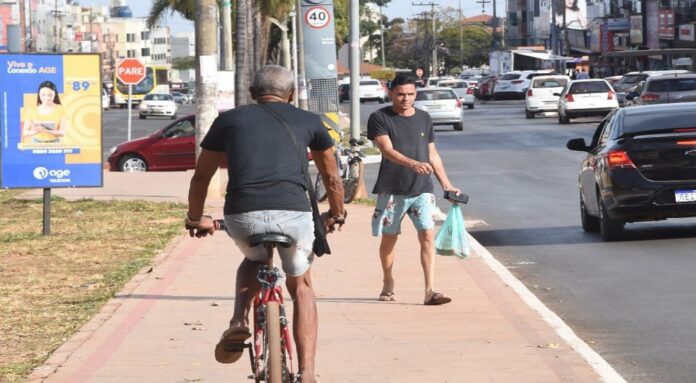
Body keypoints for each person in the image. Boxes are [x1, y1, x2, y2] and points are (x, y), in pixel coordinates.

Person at [185, 65, 345, 383]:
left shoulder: (228, 120)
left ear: (252, 94)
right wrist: (336, 213)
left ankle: (238, 320)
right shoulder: (310, 121)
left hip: (243, 214)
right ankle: (309, 372)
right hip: (295, 215)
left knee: (254, 258)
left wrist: (195, 217)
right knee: (301, 285)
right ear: (291, 95)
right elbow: (332, 176)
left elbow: (202, 176)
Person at [367, 74, 461, 306]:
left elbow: (432, 154)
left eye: (410, 94)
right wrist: (412, 164)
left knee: (427, 235)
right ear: (391, 93)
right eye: (400, 94)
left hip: (422, 190)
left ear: (415, 94)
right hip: (392, 189)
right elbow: (386, 149)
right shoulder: (379, 117)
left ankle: (430, 290)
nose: (405, 98)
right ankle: (388, 282)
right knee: (390, 238)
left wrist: (446, 184)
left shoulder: (424, 118)